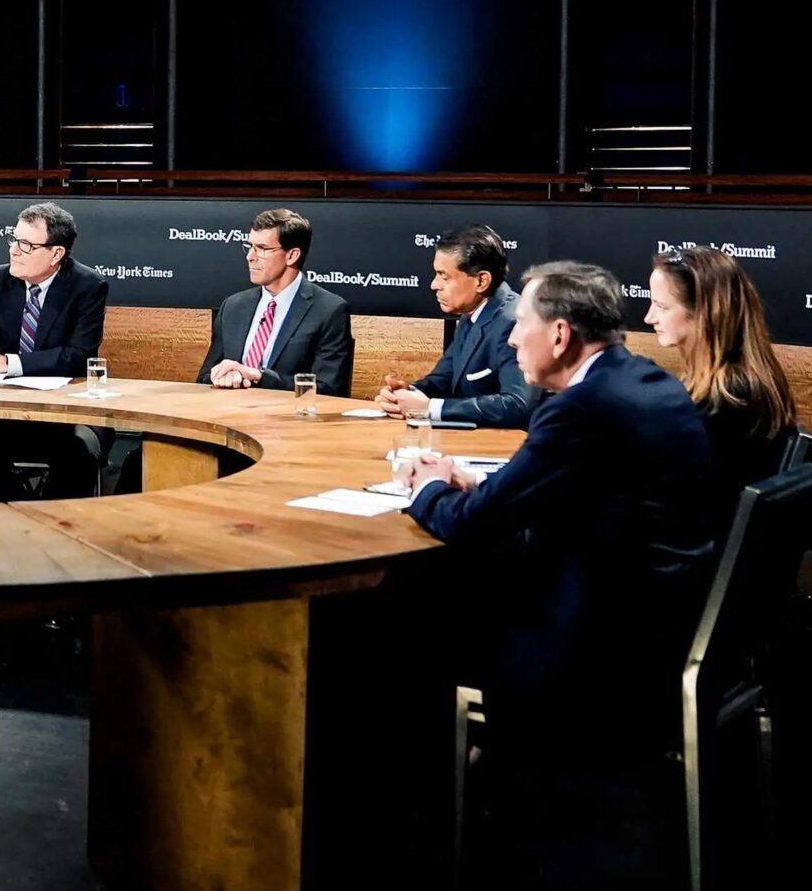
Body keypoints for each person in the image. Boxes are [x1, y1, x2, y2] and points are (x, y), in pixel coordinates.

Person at [396, 260, 722, 738]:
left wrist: (424, 486)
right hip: (661, 611)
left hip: (600, 641)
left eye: (521, 324)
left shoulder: (580, 407)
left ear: (560, 334)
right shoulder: (649, 379)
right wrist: (475, 483)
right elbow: (572, 488)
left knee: (407, 624)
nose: (510, 339)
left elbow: (469, 523)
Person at [0, 201, 111, 500]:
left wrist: (6, 363)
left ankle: (52, 525)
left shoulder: (87, 286)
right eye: (14, 240)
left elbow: (78, 355)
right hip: (7, 410)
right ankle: (14, 514)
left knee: (79, 452)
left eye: (26, 245)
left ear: (56, 254)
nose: (14, 250)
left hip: (67, 413)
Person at [646, 244, 801, 492]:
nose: (649, 317)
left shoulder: (726, 400)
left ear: (706, 313)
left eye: (662, 306)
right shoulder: (742, 383)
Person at [374, 223, 537, 428]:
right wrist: (406, 395)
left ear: (481, 281)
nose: (434, 285)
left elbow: (517, 405)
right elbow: (443, 379)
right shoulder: (471, 315)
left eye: (444, 276)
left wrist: (430, 408)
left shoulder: (511, 323)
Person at [198, 207, 352, 399]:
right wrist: (223, 377)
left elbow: (328, 389)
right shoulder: (233, 307)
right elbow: (204, 377)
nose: (250, 257)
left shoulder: (329, 311)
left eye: (262, 249)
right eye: (250, 247)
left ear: (292, 255)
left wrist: (259, 377)